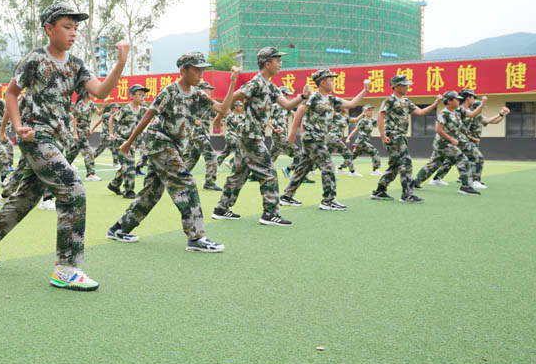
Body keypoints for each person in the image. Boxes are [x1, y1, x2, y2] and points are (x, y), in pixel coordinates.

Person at [0, 2, 129, 291]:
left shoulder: (76, 64)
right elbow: (12, 93)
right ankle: (66, 267)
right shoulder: (35, 59)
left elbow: (101, 91)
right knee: (73, 190)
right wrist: (16, 127)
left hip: (57, 140)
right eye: (67, 27)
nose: (73, 33)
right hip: (34, 137)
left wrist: (120, 63)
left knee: (27, 197)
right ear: (49, 28)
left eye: (76, 28)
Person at [106, 53, 238, 252]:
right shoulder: (169, 92)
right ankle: (196, 238)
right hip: (159, 142)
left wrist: (232, 82)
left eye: (203, 69)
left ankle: (119, 229)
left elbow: (223, 108)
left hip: (174, 147)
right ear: (183, 70)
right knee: (187, 182)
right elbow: (147, 117)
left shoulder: (198, 94)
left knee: (151, 192)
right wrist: (128, 143)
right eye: (196, 69)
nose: (201, 73)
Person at [211, 47, 309, 226]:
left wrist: (302, 96)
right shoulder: (256, 82)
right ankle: (270, 214)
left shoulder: (270, 86)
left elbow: (287, 105)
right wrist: (218, 117)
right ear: (267, 63)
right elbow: (234, 96)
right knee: (269, 173)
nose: (281, 64)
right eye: (278, 61)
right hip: (251, 136)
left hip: (250, 136)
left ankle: (221, 209)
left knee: (239, 174)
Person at [279, 69, 369, 210]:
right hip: (312, 137)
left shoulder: (332, 99)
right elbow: (299, 113)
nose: (333, 82)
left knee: (303, 168)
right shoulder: (313, 97)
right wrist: (292, 134)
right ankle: (328, 200)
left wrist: (365, 90)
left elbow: (351, 104)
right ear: (322, 82)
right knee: (328, 165)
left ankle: (286, 197)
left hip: (320, 138)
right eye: (330, 80)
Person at [370, 74, 439, 203]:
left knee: (395, 165)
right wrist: (383, 135)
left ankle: (380, 190)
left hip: (401, 136)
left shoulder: (406, 101)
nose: (407, 87)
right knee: (406, 162)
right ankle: (407, 194)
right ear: (396, 86)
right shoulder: (389, 100)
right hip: (393, 135)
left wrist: (435, 103)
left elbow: (420, 112)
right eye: (405, 85)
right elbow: (381, 117)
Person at [430, 90, 507, 188]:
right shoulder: (457, 111)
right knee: (473, 158)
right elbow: (457, 128)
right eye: (473, 97)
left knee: (452, 161)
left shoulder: (468, 113)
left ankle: (442, 179)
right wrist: (470, 138)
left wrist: (501, 114)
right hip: (459, 140)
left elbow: (488, 121)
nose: (474, 100)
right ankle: (472, 181)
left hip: (462, 140)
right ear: (469, 98)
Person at [413, 91, 482, 195]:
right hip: (444, 144)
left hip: (445, 144)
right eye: (456, 99)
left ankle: (414, 183)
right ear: (449, 101)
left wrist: (483, 104)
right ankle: (466, 187)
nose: (459, 100)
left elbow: (472, 114)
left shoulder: (458, 111)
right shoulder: (444, 113)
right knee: (462, 159)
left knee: (433, 164)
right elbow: (438, 130)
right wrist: (451, 139)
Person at [107, 85, 148, 198]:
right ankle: (129, 191)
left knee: (143, 155)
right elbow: (111, 118)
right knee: (129, 164)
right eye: (140, 94)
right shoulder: (125, 109)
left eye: (144, 95)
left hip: (135, 140)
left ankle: (114, 184)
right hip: (122, 141)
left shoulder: (143, 110)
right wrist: (110, 133)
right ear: (132, 96)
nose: (142, 97)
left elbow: (154, 115)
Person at [65, 91, 100, 181]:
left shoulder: (91, 104)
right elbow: (74, 119)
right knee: (89, 152)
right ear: (85, 93)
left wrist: (105, 105)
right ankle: (90, 175)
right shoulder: (79, 104)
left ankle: (61, 170)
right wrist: (75, 134)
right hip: (79, 132)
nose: (93, 93)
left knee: (72, 153)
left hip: (85, 131)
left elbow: (99, 113)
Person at [344, 105, 382, 176]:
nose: (371, 111)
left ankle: (340, 168)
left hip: (363, 141)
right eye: (369, 110)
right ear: (365, 112)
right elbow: (355, 130)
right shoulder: (363, 121)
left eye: (372, 110)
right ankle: (375, 171)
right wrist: (348, 138)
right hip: (361, 141)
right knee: (375, 152)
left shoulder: (373, 120)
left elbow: (380, 125)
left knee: (352, 156)